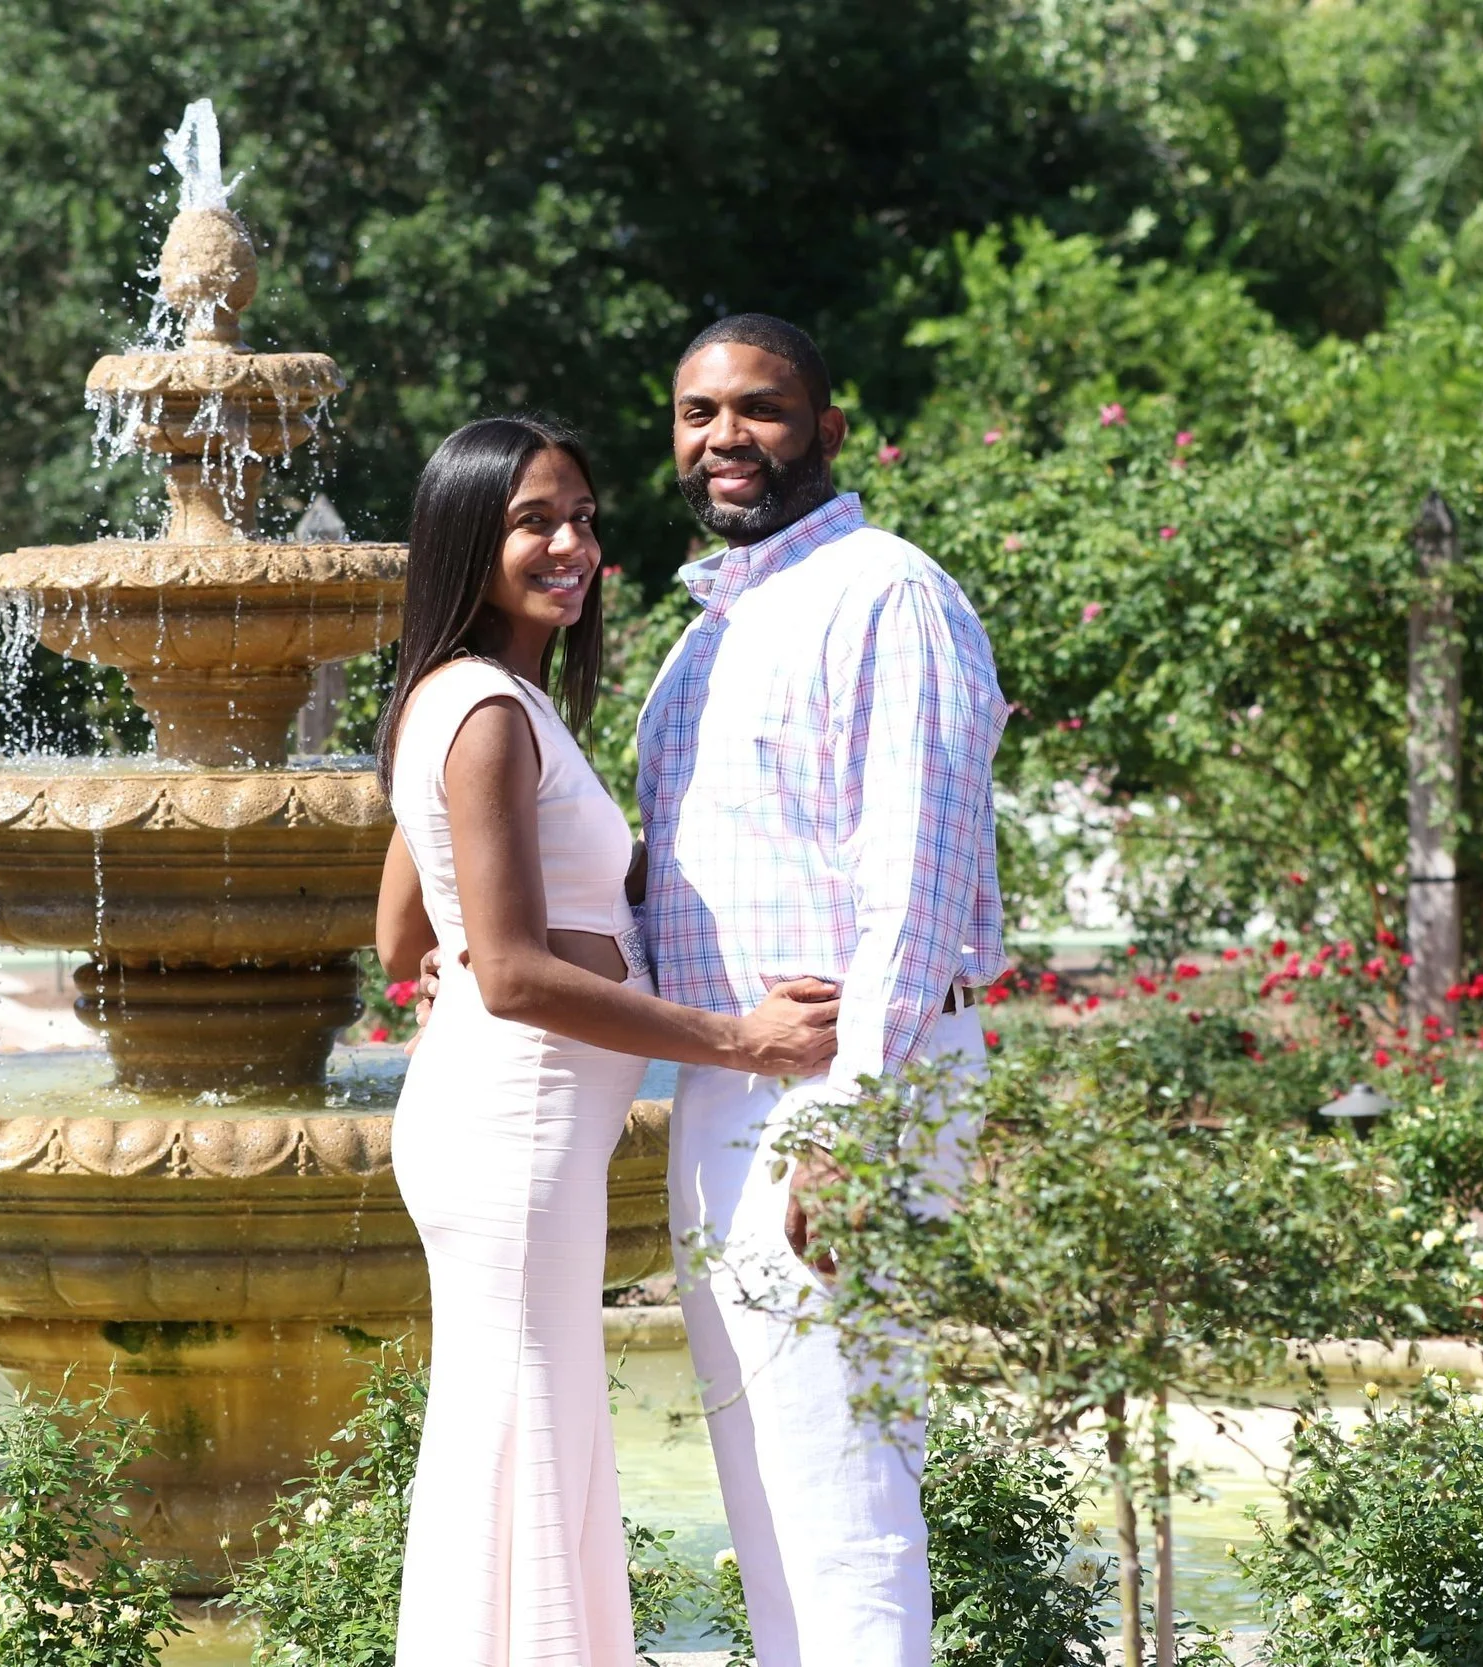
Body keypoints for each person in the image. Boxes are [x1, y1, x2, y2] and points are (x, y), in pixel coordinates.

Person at [372, 413, 841, 1667]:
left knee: (530, 1421)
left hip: (507, 1116)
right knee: (524, 1423)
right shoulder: (483, 711)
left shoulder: (469, 695)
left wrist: (509, 947)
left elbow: (398, 932)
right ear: (468, 538)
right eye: (534, 520)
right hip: (513, 1121)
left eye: (582, 517)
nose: (571, 543)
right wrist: (738, 1037)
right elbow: (515, 974)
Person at [638, 314, 1007, 1667]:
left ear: (829, 430)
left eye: (761, 409)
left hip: (841, 1089)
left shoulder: (886, 591)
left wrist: (858, 1118)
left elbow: (919, 873)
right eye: (696, 412)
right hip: (728, 1081)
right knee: (771, 1490)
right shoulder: (706, 636)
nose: (725, 436)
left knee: (846, 1492)